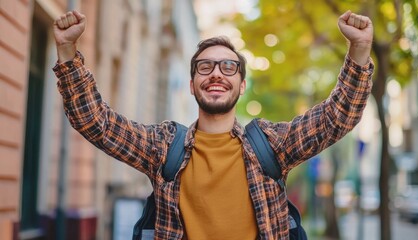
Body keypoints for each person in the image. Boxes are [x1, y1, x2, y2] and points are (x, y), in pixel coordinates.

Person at [53, 9, 374, 240]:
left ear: (242, 85)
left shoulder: (270, 144)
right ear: (192, 84)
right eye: (205, 66)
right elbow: (97, 122)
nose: (217, 73)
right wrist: (67, 52)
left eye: (228, 66)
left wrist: (358, 51)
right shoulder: (165, 146)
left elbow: (336, 117)